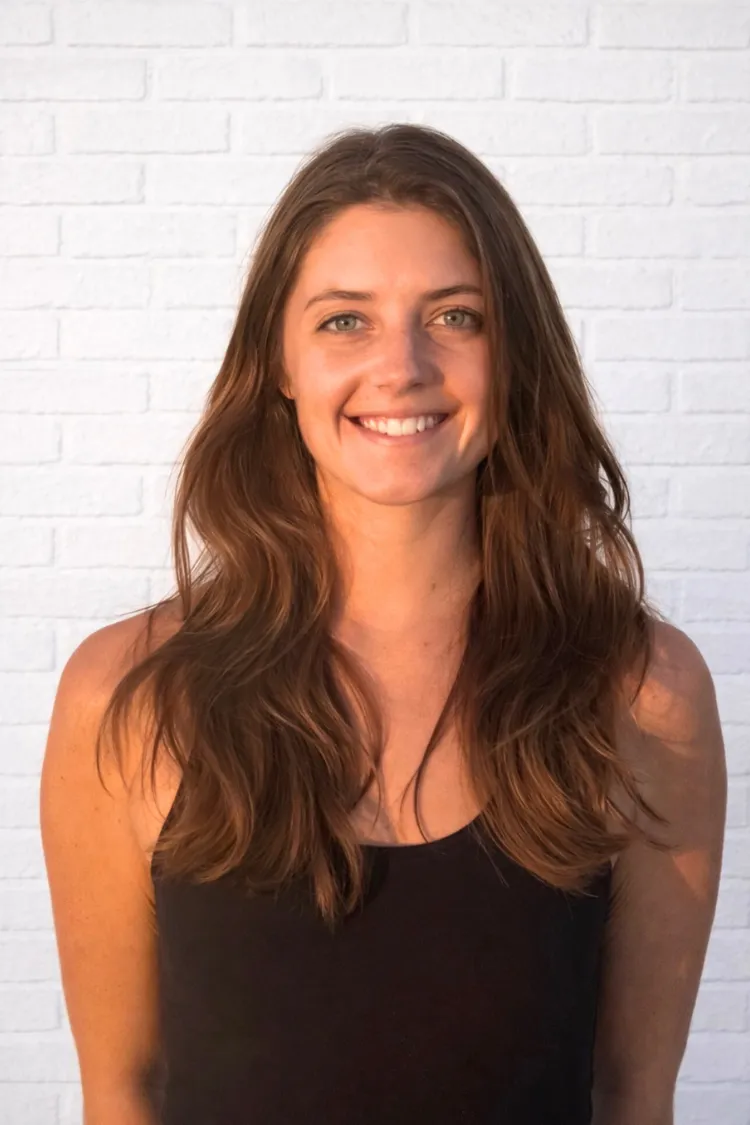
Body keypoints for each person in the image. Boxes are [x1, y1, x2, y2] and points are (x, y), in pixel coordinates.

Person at [40, 123, 726, 1125]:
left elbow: (633, 1099)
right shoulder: (129, 698)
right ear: (278, 362)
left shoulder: (641, 695)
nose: (400, 366)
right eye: (343, 322)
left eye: (454, 316)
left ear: (513, 354)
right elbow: (121, 1097)